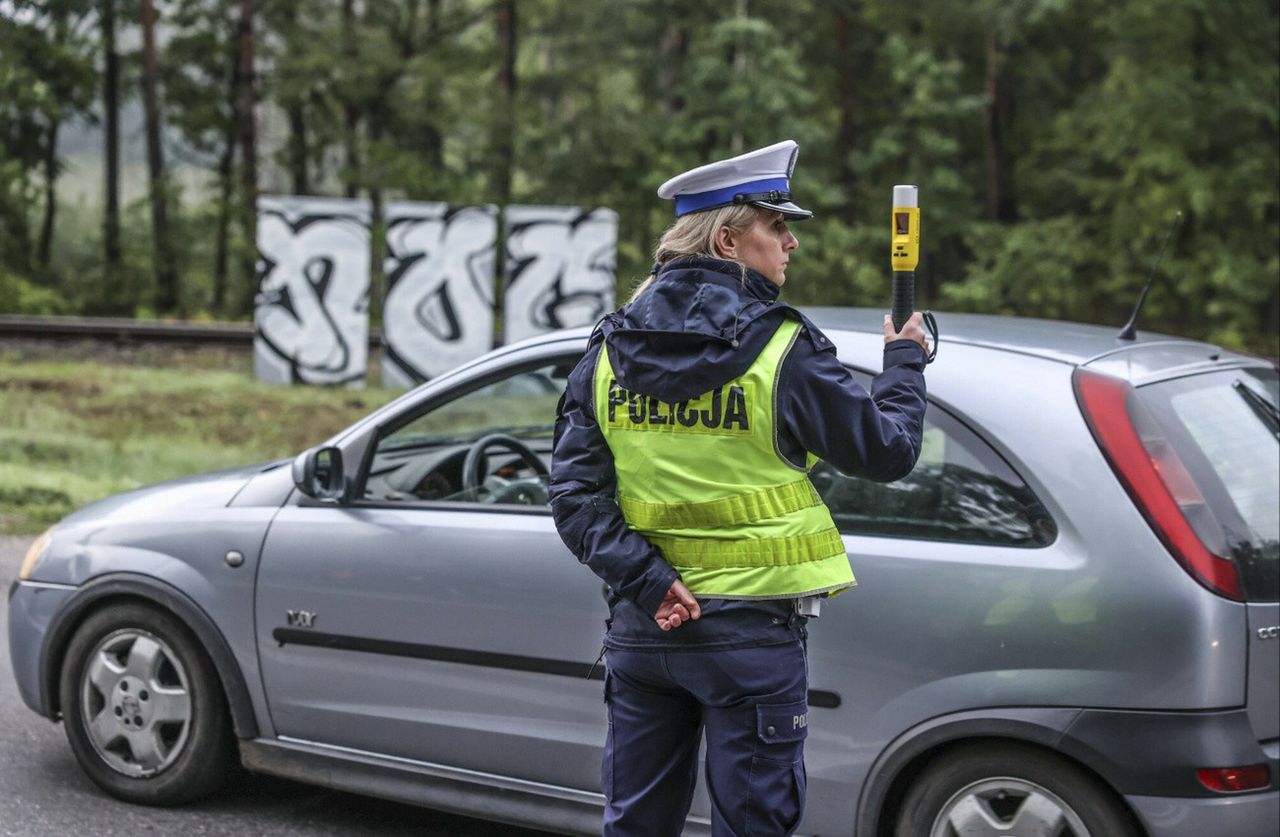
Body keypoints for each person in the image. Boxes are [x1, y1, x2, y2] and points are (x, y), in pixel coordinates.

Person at [549, 140, 930, 836]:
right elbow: (890, 449)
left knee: (635, 825)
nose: (790, 243)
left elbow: (573, 499)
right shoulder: (784, 348)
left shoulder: (605, 348)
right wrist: (905, 360)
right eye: (775, 226)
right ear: (728, 237)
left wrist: (649, 580)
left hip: (646, 628)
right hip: (750, 639)